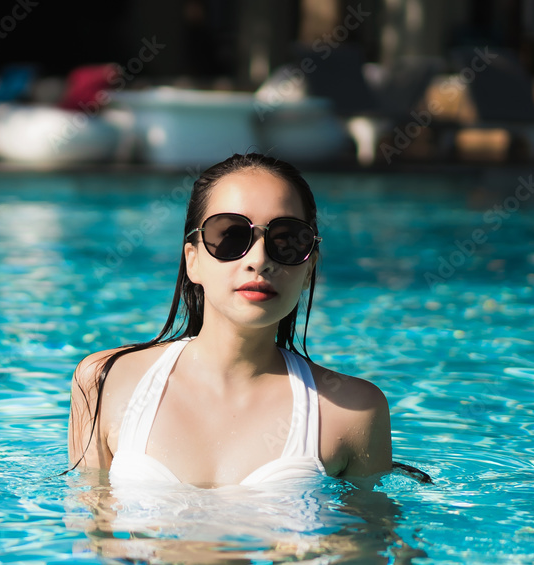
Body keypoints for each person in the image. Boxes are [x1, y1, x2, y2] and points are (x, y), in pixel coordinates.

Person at [66, 152, 394, 488]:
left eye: (287, 240)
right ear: (192, 260)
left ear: (309, 268)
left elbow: (367, 536)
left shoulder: (354, 411)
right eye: (231, 236)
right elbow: (90, 531)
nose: (259, 259)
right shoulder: (104, 381)